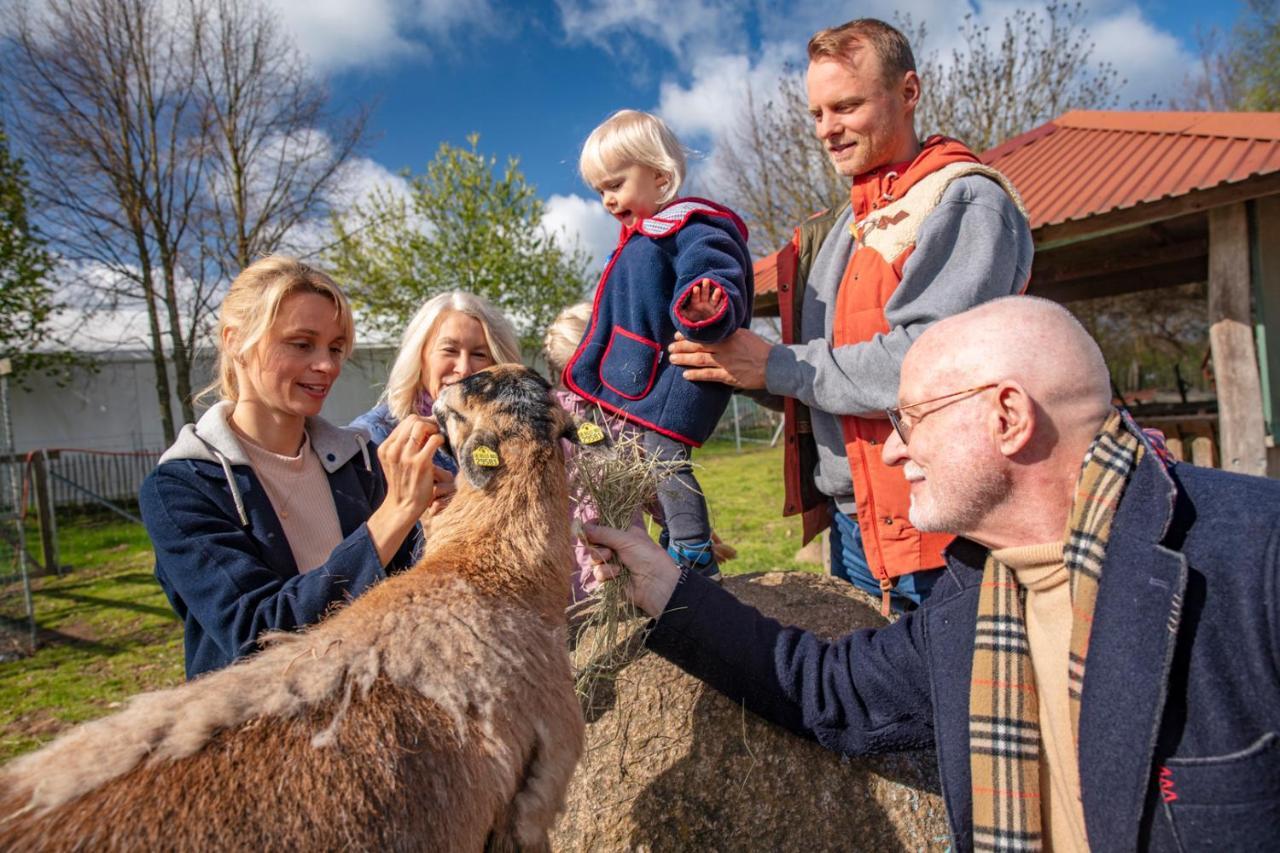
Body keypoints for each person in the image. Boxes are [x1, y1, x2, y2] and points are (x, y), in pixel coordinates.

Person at [587, 295, 1280, 852]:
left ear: (1007, 415)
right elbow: (828, 689)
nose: (891, 450)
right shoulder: (976, 595)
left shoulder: (1255, 559)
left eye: (911, 417)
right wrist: (662, 583)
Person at [668, 19, 1034, 613]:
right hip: (855, 522)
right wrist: (741, 369)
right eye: (817, 113)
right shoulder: (843, 229)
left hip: (944, 529)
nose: (827, 130)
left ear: (908, 92)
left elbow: (923, 363)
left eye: (846, 106)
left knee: (951, 700)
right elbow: (829, 378)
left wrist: (776, 366)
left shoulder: (960, 201)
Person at [140, 257, 444, 679]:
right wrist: (394, 512)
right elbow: (258, 634)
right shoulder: (184, 486)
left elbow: (403, 595)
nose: (327, 365)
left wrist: (433, 518)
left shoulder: (358, 463)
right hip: (262, 734)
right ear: (235, 341)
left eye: (336, 348)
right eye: (302, 344)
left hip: (370, 716)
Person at [562, 109, 753, 581]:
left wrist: (705, 305)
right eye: (599, 191)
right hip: (644, 373)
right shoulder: (640, 239)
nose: (607, 200)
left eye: (615, 184)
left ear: (661, 175)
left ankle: (693, 554)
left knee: (665, 457)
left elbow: (711, 268)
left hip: (680, 371)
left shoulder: (690, 226)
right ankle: (653, 543)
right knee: (625, 455)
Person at [350, 290, 522, 476]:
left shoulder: (514, 438)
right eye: (449, 350)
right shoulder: (373, 438)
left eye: (479, 354)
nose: (464, 369)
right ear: (419, 356)